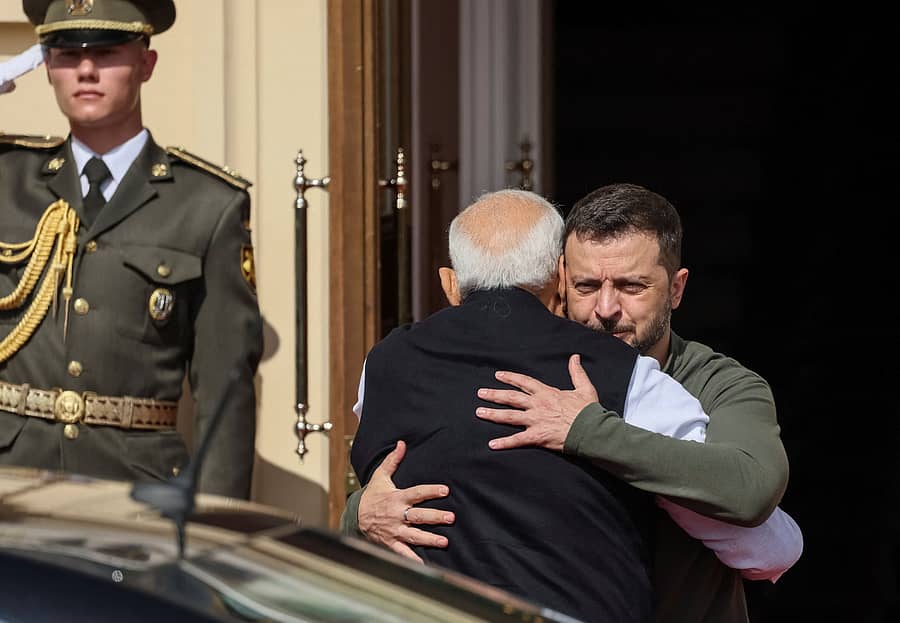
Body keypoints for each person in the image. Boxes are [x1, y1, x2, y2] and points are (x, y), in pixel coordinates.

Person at [343, 183, 801, 622]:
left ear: (676, 289)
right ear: (558, 281)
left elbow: (753, 499)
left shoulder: (717, 384)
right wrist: (359, 513)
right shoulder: (525, 378)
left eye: (631, 287)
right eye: (585, 286)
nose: (605, 308)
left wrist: (587, 430)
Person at [0, 0, 262, 499]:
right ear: (46, 66)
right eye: (65, 53)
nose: (85, 69)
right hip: (11, 485)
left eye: (107, 52)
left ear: (146, 63)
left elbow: (225, 390)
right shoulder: (6, 179)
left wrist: (211, 526)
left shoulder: (206, 205)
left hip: (134, 492)